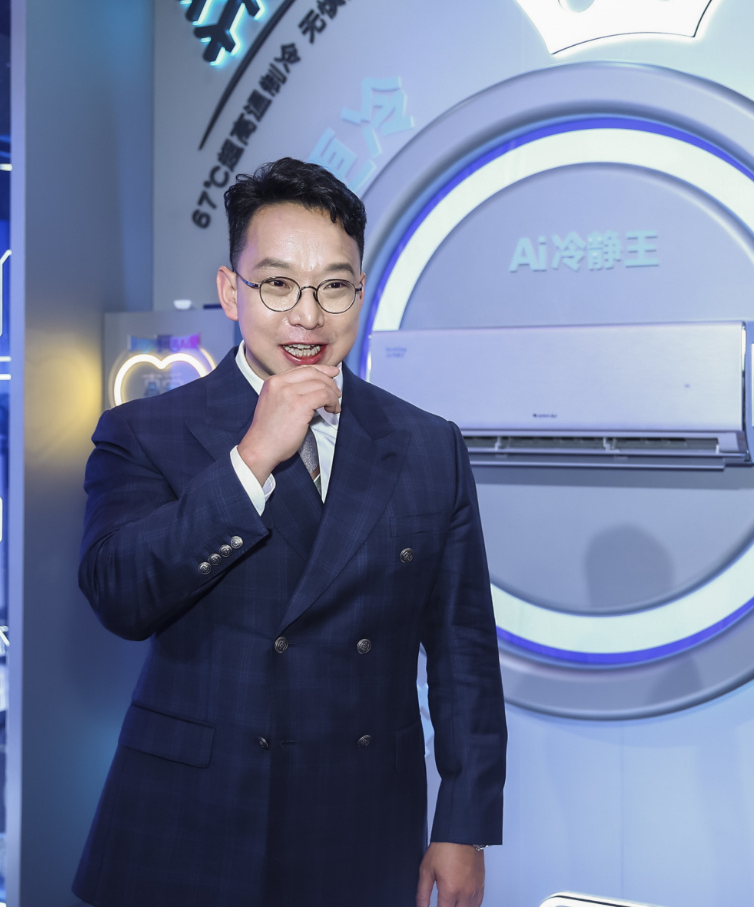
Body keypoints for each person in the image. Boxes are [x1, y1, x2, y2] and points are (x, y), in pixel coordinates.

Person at [73, 158, 507, 907]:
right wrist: (250, 460)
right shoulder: (144, 430)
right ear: (230, 292)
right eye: (277, 284)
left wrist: (463, 824)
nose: (307, 316)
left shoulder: (427, 444)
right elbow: (120, 597)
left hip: (360, 818)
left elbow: (462, 649)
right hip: (193, 813)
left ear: (360, 292)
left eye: (333, 287)